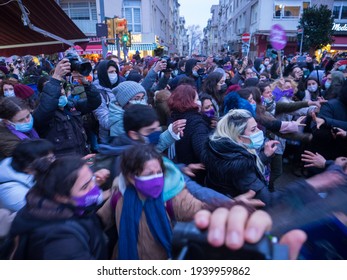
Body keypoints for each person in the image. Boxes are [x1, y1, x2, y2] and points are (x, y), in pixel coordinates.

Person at [9, 156, 110, 259]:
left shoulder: (48, 205)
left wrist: (113, 200)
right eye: (85, 187)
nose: (94, 187)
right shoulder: (61, 241)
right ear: (61, 197)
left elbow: (88, 223)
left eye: (92, 178)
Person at [202, 109, 278, 205]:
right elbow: (267, 200)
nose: (259, 131)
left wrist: (264, 156)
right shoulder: (241, 168)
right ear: (239, 137)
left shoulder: (221, 152)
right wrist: (301, 188)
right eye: (253, 129)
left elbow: (248, 166)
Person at [33, 58, 101, 157]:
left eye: (60, 87)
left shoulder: (71, 105)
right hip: (63, 166)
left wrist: (85, 82)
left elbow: (95, 102)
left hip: (82, 158)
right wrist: (56, 77)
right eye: (53, 88)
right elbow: (47, 107)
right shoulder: (41, 114)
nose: (60, 91)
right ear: (43, 93)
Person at [0, 139, 55, 212]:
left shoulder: (35, 170)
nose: (54, 161)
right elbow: (44, 211)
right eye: (50, 159)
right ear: (28, 166)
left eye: (53, 157)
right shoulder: (12, 192)